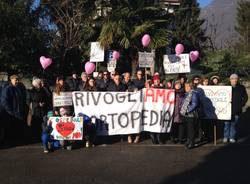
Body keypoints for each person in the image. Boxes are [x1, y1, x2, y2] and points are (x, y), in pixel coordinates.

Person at [1, 75, 27, 145]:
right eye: (16, 80)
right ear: (11, 80)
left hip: (19, 113)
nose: (17, 81)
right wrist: (10, 112)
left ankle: (17, 141)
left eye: (18, 80)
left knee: (17, 129)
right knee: (11, 130)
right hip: (11, 114)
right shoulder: (7, 89)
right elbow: (4, 102)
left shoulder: (18, 88)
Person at [223, 74, 248, 143]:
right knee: (226, 124)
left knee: (234, 124)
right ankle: (226, 137)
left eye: (236, 78)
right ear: (230, 79)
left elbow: (245, 97)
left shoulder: (241, 87)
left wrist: (241, 105)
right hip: (227, 109)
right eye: (232, 78)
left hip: (237, 109)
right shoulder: (226, 87)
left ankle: (232, 137)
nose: (234, 80)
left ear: (237, 79)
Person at [27, 78, 48, 143]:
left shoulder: (43, 90)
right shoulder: (31, 91)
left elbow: (47, 98)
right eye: (40, 83)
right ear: (36, 85)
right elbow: (28, 101)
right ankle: (34, 139)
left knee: (43, 125)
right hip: (34, 111)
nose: (41, 84)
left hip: (43, 110)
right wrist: (37, 104)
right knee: (35, 126)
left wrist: (44, 103)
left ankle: (42, 138)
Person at [180, 82, 199, 149]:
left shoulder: (193, 94)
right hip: (186, 115)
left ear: (191, 87)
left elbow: (194, 104)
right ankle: (189, 140)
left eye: (188, 87)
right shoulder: (187, 94)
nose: (186, 88)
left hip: (191, 114)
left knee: (191, 129)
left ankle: (192, 143)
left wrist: (187, 110)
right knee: (188, 129)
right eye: (185, 87)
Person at [150, 74, 164, 144]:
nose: (157, 81)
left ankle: (159, 137)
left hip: (160, 108)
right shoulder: (150, 87)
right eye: (155, 80)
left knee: (159, 122)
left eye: (158, 80)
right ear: (154, 80)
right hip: (152, 108)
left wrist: (163, 88)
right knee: (153, 122)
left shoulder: (162, 87)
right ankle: (153, 136)